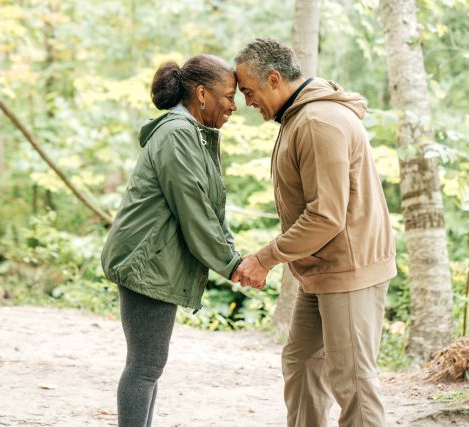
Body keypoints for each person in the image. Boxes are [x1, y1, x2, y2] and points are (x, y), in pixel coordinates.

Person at [232, 38, 397, 426]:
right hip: (321, 270)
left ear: (274, 79)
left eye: (248, 91)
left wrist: (264, 258)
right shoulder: (298, 117)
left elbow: (326, 216)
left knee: (353, 383)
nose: (247, 102)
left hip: (349, 271)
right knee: (302, 361)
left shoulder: (318, 122)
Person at [101, 54, 241, 427]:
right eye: (228, 95)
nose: (234, 104)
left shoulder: (191, 134)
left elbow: (211, 208)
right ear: (201, 94)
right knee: (145, 365)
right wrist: (233, 264)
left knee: (149, 365)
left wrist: (235, 257)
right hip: (147, 261)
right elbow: (193, 209)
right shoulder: (179, 133)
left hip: (155, 260)